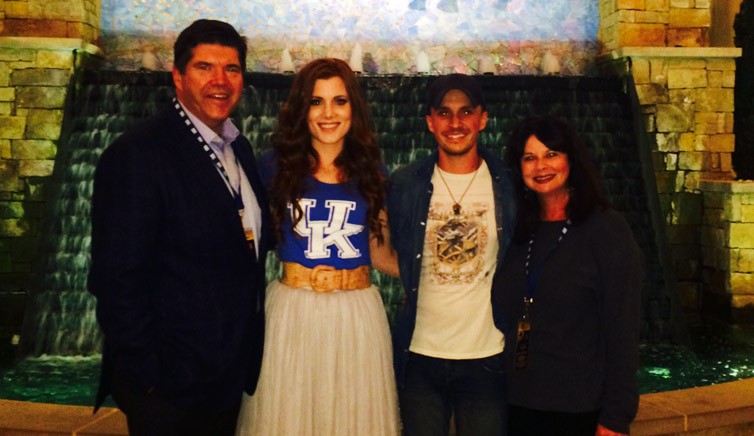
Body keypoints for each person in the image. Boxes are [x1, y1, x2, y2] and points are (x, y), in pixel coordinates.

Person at [88, 19, 269, 436]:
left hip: (226, 373)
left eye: (232, 69)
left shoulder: (238, 146)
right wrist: (147, 379)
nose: (220, 81)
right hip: (170, 388)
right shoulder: (137, 155)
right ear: (178, 76)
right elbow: (116, 279)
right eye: (205, 67)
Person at [236, 58, 400, 435]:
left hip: (356, 313)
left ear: (353, 108)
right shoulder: (273, 167)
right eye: (316, 102)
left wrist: (440, 281)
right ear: (301, 109)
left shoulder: (374, 172)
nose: (328, 113)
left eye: (339, 101)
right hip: (293, 310)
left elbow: (380, 254)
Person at [493, 114, 642, 435]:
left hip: (579, 408)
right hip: (518, 404)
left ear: (571, 160)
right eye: (529, 158)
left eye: (551, 154)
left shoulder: (605, 229)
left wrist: (617, 415)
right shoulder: (518, 233)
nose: (541, 166)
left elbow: (623, 328)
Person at [387, 73, 516, 436]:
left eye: (465, 112)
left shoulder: (507, 184)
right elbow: (384, 249)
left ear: (482, 118)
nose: (455, 123)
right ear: (430, 122)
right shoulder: (405, 184)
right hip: (420, 354)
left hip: (486, 356)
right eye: (444, 113)